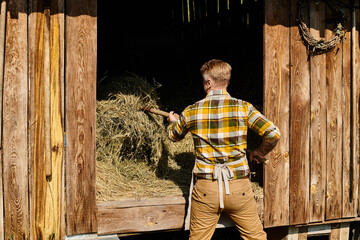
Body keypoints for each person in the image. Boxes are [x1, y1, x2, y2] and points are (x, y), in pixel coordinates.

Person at [166, 59, 280, 240]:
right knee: (256, 238)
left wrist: (174, 122)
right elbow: (273, 134)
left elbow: (173, 136)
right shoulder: (244, 108)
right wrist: (259, 152)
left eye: (204, 82)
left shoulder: (191, 111)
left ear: (209, 83)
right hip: (238, 187)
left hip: (206, 189)